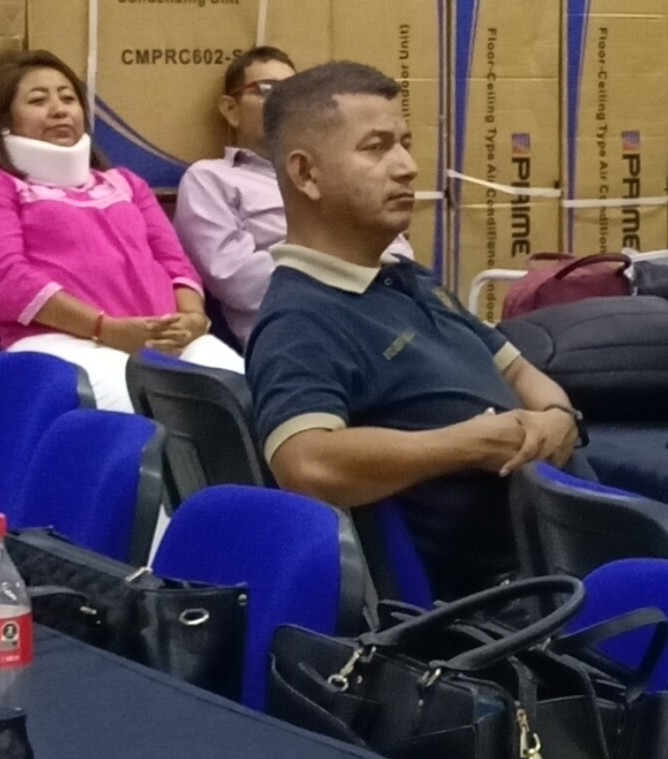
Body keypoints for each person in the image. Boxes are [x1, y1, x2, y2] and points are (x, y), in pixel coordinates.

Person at [245, 61, 580, 599]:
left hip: (564, 542)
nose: (406, 167)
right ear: (306, 175)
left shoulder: (409, 277)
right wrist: (467, 444)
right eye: (376, 148)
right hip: (514, 598)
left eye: (404, 143)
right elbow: (305, 463)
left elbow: (518, 370)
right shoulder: (300, 319)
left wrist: (558, 416)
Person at [0, 49, 235, 403]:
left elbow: (176, 264)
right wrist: (104, 329)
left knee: (251, 400)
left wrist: (192, 319)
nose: (59, 109)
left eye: (68, 98)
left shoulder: (127, 184)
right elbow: (6, 281)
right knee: (143, 410)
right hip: (59, 342)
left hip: (166, 337)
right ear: (4, 121)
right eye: (38, 100)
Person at [170, 45, 298, 331]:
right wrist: (333, 254)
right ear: (231, 109)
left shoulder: (327, 174)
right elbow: (238, 282)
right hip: (294, 325)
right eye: (268, 90)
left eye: (294, 92)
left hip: (376, 306)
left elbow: (392, 248)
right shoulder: (209, 178)